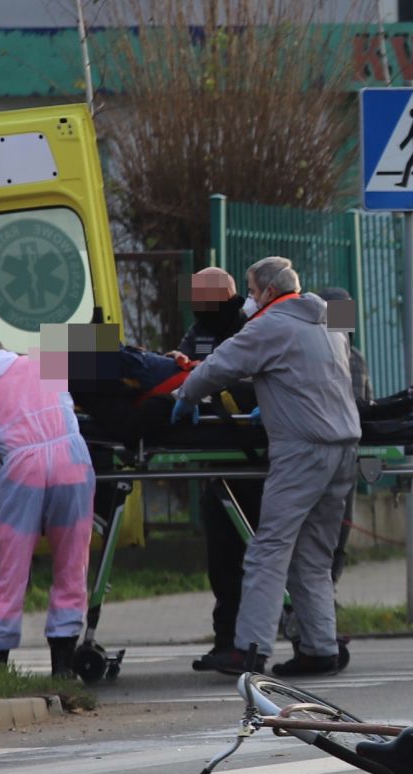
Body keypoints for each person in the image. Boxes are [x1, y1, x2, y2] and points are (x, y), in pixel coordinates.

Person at [174, 256, 360, 677]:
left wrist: (184, 395)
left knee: (268, 550)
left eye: (253, 290)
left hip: (303, 448)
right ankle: (319, 648)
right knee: (313, 555)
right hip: (345, 446)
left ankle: (250, 648)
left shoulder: (268, 324)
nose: (250, 298)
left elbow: (219, 366)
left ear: (269, 292)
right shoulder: (325, 320)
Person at [0, 332, 95, 677]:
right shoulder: (42, 360)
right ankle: (63, 663)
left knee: (12, 566)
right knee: (72, 562)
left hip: (22, 469)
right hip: (73, 460)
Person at [170, 266, 267, 671]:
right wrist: (178, 364)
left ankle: (257, 641)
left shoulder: (254, 326)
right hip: (218, 454)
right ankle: (226, 640)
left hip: (256, 459)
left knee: (262, 556)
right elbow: (183, 361)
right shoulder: (198, 330)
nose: (203, 308)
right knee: (222, 556)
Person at [315, 286, 373, 583]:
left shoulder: (355, 358)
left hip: (342, 453)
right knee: (333, 524)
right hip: (328, 452)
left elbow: (365, 404)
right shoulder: (323, 356)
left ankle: (327, 587)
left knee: (340, 525)